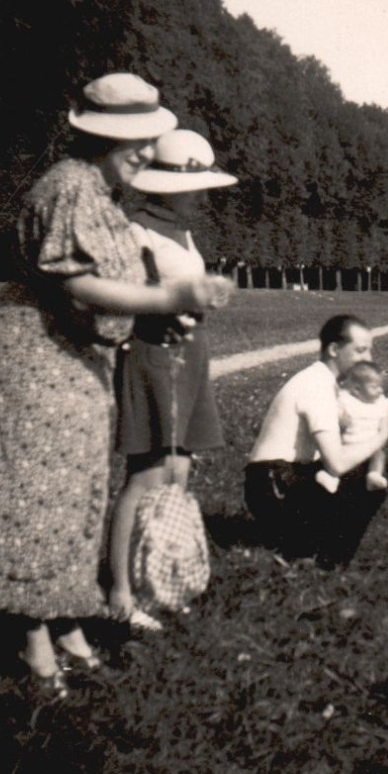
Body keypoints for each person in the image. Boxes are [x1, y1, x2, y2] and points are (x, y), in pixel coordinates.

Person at [0, 74, 226, 701]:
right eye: (129, 140)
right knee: (38, 498)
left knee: (77, 493)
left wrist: (162, 308)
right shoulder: (70, 187)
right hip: (36, 357)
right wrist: (167, 296)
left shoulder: (101, 193)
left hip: (75, 360)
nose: (143, 152)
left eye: (147, 140)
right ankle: (33, 637)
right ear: (96, 136)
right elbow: (78, 286)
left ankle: (69, 623)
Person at [108, 129, 236, 623]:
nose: (204, 196)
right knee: (146, 474)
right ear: (165, 184)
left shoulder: (182, 228)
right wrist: (169, 312)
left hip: (190, 351)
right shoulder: (137, 227)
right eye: (196, 186)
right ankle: (121, 592)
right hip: (154, 351)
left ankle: (163, 576)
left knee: (179, 471)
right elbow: (123, 298)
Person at [244, 315, 388, 567]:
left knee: (365, 467)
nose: (368, 359)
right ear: (334, 349)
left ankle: (304, 546)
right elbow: (336, 464)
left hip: (275, 479)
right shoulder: (317, 387)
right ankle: (324, 557)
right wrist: (381, 436)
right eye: (360, 350)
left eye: (369, 350)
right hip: (274, 482)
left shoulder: (324, 382)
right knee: (367, 473)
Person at [315, 360, 388, 494]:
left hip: (372, 444)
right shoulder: (346, 400)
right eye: (375, 387)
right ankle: (331, 477)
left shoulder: (381, 401)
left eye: (381, 386)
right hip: (348, 442)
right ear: (357, 389)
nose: (380, 390)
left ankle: (374, 475)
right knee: (334, 455)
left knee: (379, 455)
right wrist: (340, 418)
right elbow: (332, 410)